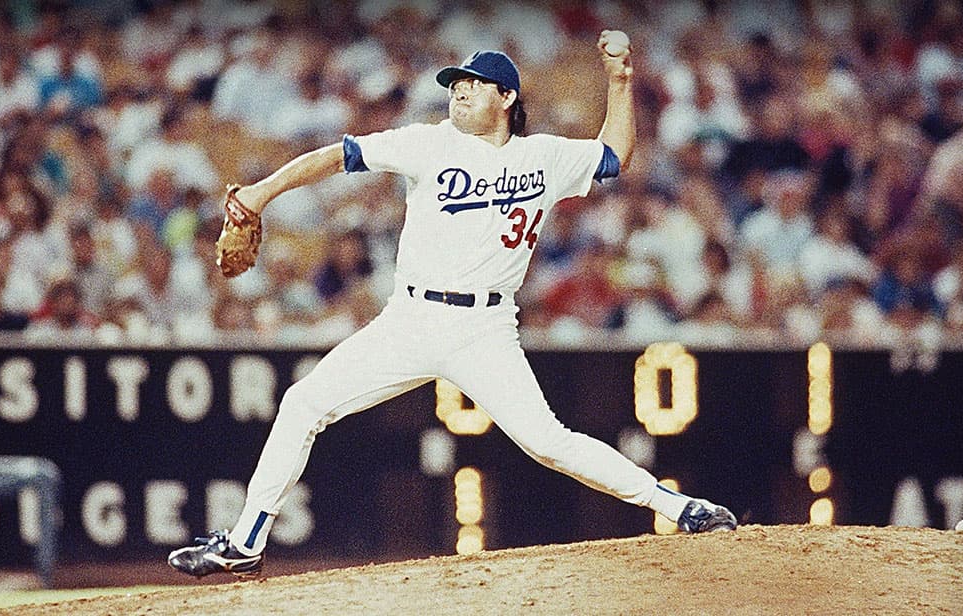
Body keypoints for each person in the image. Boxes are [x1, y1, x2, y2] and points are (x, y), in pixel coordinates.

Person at [169, 33, 737, 580]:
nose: (459, 91)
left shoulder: (545, 156)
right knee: (303, 403)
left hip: (485, 328)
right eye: (456, 83)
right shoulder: (429, 141)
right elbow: (338, 156)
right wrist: (262, 192)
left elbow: (614, 155)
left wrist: (619, 80)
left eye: (474, 83)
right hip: (409, 321)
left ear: (508, 97)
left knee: (549, 443)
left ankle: (678, 507)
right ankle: (244, 543)